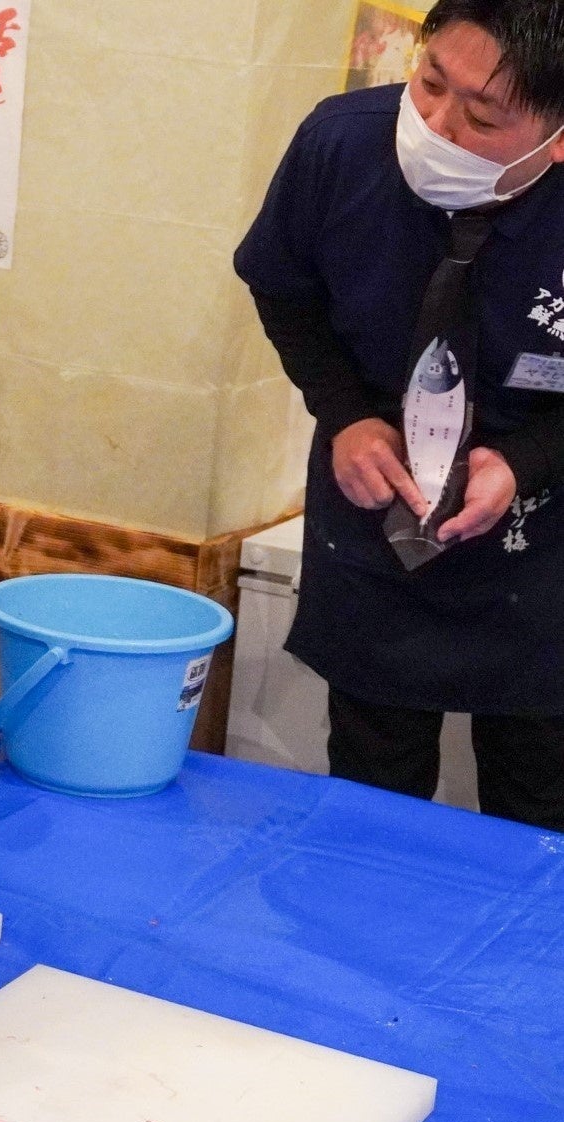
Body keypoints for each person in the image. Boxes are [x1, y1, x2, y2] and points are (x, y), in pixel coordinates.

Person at [235, 0, 564, 829]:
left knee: (539, 804)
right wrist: (341, 414)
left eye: (481, 115)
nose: (435, 124)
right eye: (428, 82)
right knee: (369, 794)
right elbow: (283, 290)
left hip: (544, 543)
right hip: (377, 504)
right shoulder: (340, 143)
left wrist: (525, 460)